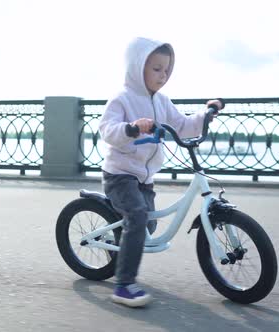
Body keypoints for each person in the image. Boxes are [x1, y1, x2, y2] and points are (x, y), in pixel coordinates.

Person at [98, 37, 223, 307]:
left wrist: (206, 116)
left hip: (145, 177)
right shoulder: (122, 99)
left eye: (167, 70)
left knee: (147, 224)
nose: (163, 75)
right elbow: (107, 130)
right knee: (138, 216)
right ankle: (123, 285)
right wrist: (131, 128)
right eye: (156, 68)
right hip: (120, 174)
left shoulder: (163, 101)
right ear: (137, 67)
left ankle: (124, 242)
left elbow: (182, 125)